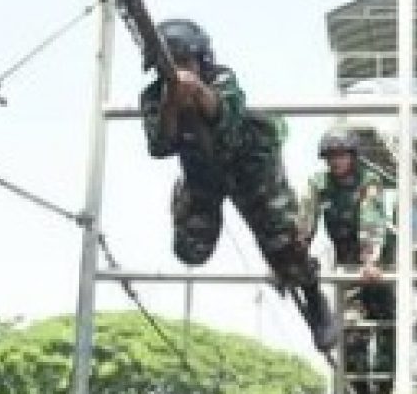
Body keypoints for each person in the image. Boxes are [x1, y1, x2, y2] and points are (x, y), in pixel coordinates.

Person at [140, 18, 336, 350]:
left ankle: (315, 301)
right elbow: (159, 146)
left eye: (184, 63)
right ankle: (183, 196)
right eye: (167, 67)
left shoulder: (222, 79)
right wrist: (173, 101)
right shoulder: (154, 96)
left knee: (285, 249)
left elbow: (226, 124)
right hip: (204, 175)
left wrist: (197, 92)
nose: (176, 72)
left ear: (202, 60)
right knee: (190, 251)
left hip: (251, 171)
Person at [301, 129, 394, 394]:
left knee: (386, 330)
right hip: (347, 266)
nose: (336, 162)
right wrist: (296, 253)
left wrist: (371, 259)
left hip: (379, 263)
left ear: (353, 157)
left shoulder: (369, 181)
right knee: (352, 334)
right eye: (331, 157)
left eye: (341, 156)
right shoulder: (320, 184)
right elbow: (306, 219)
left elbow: (371, 217)